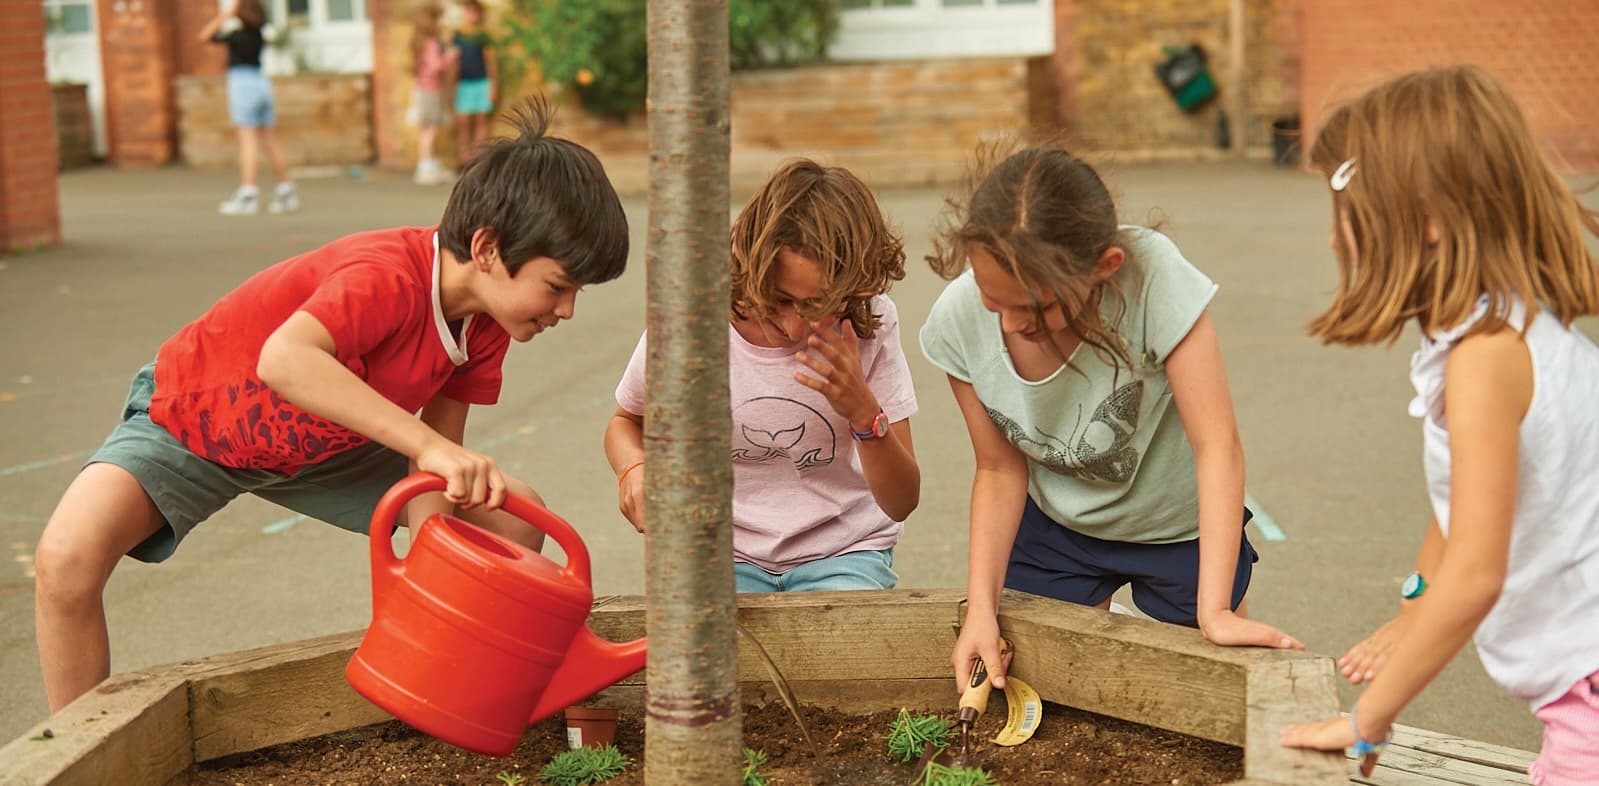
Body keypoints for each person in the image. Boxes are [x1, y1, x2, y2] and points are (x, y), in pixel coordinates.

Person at [32, 99, 630, 714]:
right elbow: (284, 360)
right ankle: (79, 752)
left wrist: (432, 574)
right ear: (486, 249)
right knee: (65, 560)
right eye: (558, 287)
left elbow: (433, 471)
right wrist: (428, 447)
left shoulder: (484, 325)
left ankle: (446, 692)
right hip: (201, 421)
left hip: (325, 447)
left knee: (515, 516)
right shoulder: (386, 275)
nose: (566, 310)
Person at [1280, 65, 1599, 785]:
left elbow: (1476, 576)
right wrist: (1409, 611)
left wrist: (1367, 721)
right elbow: (1459, 498)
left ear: (1424, 220)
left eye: (1346, 210)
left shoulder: (1483, 360)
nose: (1334, 240)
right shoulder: (1503, 321)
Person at [920, 143, 1304, 692]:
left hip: (1176, 528)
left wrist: (1215, 610)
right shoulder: (957, 321)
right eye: (992, 298)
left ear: (1106, 268)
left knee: (1208, 688)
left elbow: (1217, 447)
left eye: (1038, 307)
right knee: (1051, 689)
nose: (1009, 325)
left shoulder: (1155, 281)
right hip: (1058, 527)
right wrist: (980, 610)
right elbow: (999, 471)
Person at [603, 159, 920, 592]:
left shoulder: (870, 322)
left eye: (819, 306)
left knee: (842, 649)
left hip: (844, 552)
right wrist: (634, 469)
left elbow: (902, 502)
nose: (793, 328)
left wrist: (865, 414)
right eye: (778, 301)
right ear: (748, 268)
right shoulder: (695, 316)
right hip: (718, 549)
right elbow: (626, 422)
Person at [199, 0, 298, 216]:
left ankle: (248, 194)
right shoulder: (259, 34)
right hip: (262, 83)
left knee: (248, 141)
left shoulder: (236, 36)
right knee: (270, 140)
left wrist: (226, 15)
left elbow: (205, 36)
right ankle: (286, 191)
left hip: (243, 84)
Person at [450, 0, 497, 171]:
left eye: (474, 11)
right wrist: (453, 86)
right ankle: (464, 158)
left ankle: (479, 158)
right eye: (468, 11)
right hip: (464, 83)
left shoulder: (483, 36)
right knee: (463, 122)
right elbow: (455, 62)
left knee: (481, 120)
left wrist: (493, 85)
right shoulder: (458, 35)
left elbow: (490, 61)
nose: (471, 15)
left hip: (481, 82)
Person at [410, 2, 451, 185]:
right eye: (438, 20)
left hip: (423, 89)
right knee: (430, 130)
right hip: (431, 90)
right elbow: (435, 67)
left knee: (426, 130)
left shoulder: (420, 42)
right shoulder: (432, 43)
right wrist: (449, 57)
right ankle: (425, 167)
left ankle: (428, 164)